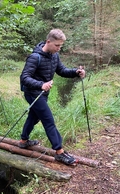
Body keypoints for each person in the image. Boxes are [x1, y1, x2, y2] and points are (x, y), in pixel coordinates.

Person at [19, 29, 86, 165]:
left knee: (34, 116)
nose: (59, 48)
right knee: (48, 120)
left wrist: (75, 72)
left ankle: (23, 141)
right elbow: (24, 77)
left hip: (43, 94)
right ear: (48, 42)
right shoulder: (34, 57)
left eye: (61, 46)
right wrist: (41, 84)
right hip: (33, 93)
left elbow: (61, 70)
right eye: (57, 45)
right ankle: (59, 152)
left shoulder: (54, 56)